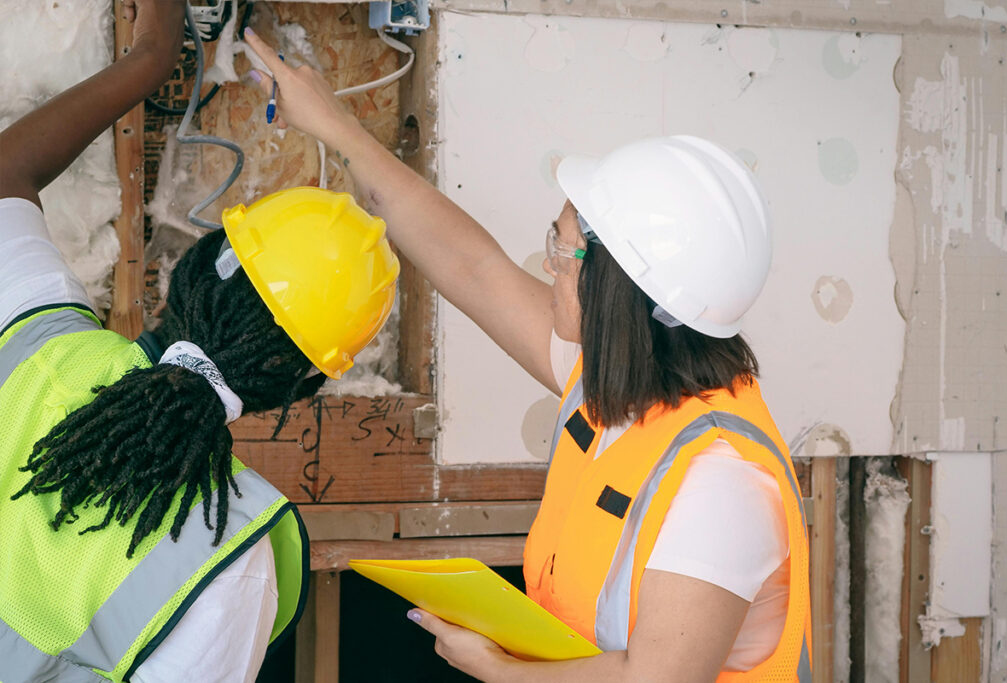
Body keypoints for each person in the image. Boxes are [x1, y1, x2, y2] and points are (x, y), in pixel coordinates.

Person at [243, 24, 811, 683]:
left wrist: (499, 671)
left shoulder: (721, 481)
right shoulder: (613, 386)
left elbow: (653, 678)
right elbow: (473, 267)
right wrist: (336, 128)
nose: (549, 263)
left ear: (617, 287)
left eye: (562, 249)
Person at [0, 2, 398, 681]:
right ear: (301, 385)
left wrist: (149, 59)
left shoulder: (42, 344)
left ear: (188, 273)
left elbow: (7, 173)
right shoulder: (225, 555)